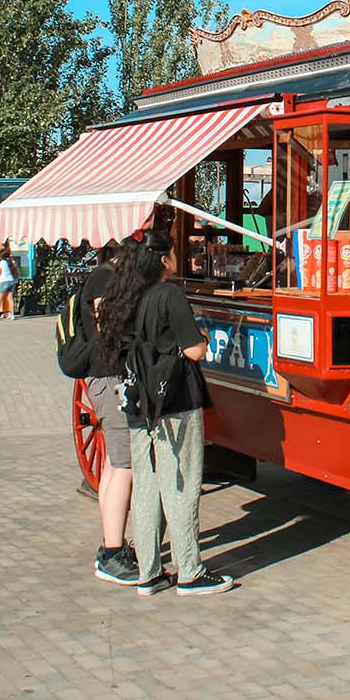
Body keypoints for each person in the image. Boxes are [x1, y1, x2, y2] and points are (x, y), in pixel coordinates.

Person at [100, 230, 233, 597]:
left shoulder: (124, 296)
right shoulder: (169, 295)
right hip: (175, 399)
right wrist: (203, 339)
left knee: (147, 485)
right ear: (162, 259)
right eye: (174, 252)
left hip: (139, 399)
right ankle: (189, 569)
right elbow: (194, 351)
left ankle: (149, 571)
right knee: (182, 482)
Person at [83, 239, 137, 584]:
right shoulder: (104, 280)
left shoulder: (101, 277)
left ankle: (110, 546)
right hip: (110, 376)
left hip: (104, 376)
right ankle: (112, 554)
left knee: (110, 465)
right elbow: (108, 328)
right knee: (124, 466)